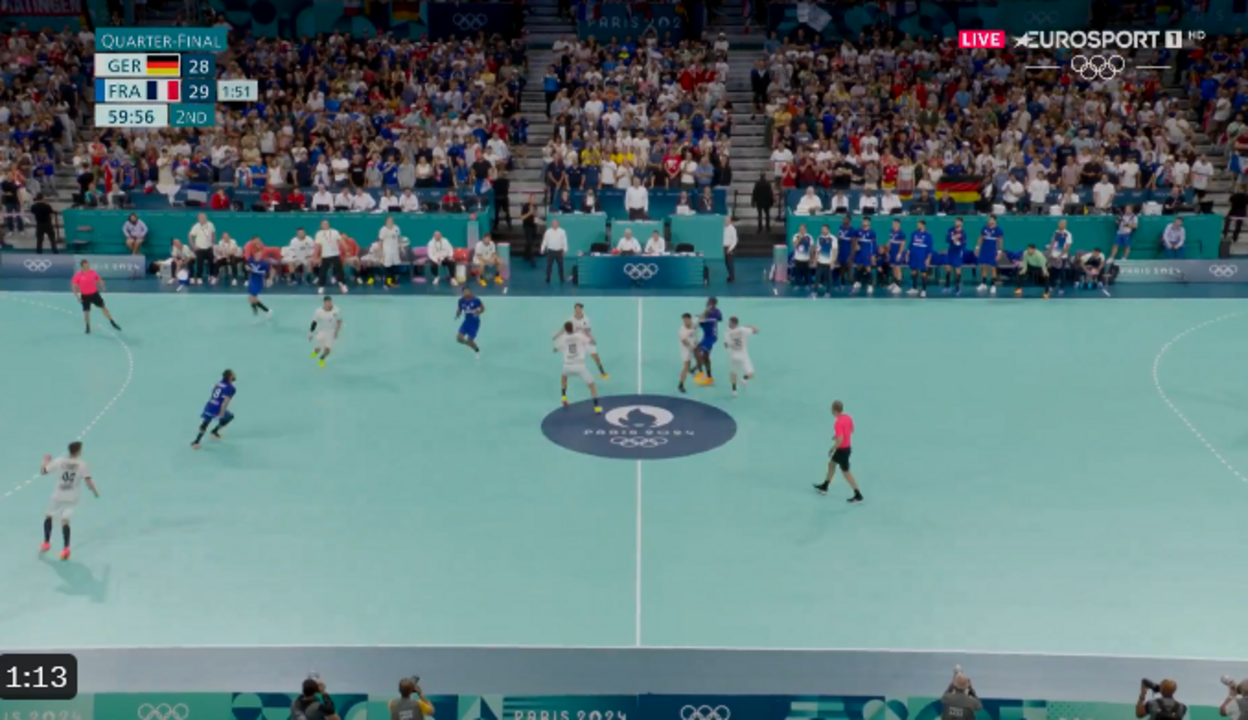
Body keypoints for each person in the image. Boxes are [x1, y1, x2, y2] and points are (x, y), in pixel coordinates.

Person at [39, 441, 99, 560]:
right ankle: (66, 549)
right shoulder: (82, 465)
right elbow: (88, 481)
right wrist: (94, 491)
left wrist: (45, 460)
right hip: (72, 497)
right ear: (78, 452)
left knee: (49, 517)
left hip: (58, 496)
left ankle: (46, 543)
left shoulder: (60, 461)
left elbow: (43, 471)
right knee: (65, 521)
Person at [813, 400, 863, 503]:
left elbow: (840, 439)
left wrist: (833, 448)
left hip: (842, 450)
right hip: (846, 448)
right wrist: (838, 436)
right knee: (831, 464)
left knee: (846, 473)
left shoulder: (838, 423)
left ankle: (858, 494)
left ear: (834, 410)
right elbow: (851, 430)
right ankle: (825, 486)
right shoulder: (848, 417)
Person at [555, 320, 602, 412]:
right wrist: (588, 335)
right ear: (573, 328)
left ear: (565, 330)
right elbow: (593, 342)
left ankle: (564, 397)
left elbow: (556, 349)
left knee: (563, 377)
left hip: (567, 366)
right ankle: (597, 407)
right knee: (592, 386)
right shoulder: (580, 336)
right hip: (580, 366)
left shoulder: (563, 338)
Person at [71, 259, 122, 334]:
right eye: (86, 265)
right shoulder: (78, 276)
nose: (88, 266)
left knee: (103, 308)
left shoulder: (93, 272)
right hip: (85, 296)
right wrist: (77, 297)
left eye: (88, 265)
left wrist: (102, 285)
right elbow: (74, 286)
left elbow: (98, 278)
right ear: (82, 267)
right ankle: (87, 326)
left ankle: (112, 322)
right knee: (86, 312)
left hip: (94, 294)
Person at [193, 369, 237, 449]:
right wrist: (221, 412)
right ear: (230, 376)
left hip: (209, 405)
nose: (235, 375)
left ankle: (196, 442)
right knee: (230, 417)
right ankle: (214, 431)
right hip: (217, 408)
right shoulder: (231, 388)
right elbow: (225, 402)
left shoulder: (219, 383)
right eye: (233, 374)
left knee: (205, 422)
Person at [565, 303, 608, 379]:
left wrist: (591, 338)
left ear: (582, 309)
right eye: (576, 309)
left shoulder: (586, 319)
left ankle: (602, 372)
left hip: (586, 340)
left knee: (595, 356)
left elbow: (587, 332)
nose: (577, 310)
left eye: (579, 309)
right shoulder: (570, 320)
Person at [723, 317, 757, 397]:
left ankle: (734, 390)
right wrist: (748, 327)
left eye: (729, 323)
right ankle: (744, 378)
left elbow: (726, 345)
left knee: (733, 373)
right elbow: (756, 330)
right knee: (751, 373)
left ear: (731, 323)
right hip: (743, 356)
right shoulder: (743, 330)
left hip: (733, 356)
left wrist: (728, 348)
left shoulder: (727, 333)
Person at [314, 220, 350, 295]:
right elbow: (318, 246)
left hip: (335, 254)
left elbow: (340, 240)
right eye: (324, 224)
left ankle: (343, 285)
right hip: (325, 256)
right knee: (322, 272)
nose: (325, 225)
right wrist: (315, 255)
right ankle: (321, 287)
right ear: (321, 225)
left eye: (327, 223)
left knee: (339, 271)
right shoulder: (319, 234)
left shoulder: (335, 231)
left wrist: (345, 247)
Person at [694, 297, 723, 386]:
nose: (707, 304)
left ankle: (706, 375)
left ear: (713, 304)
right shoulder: (706, 312)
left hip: (711, 337)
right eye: (707, 302)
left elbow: (719, 318)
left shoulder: (716, 312)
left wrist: (707, 314)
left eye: (709, 303)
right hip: (706, 336)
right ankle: (699, 369)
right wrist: (701, 316)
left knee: (701, 353)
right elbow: (701, 321)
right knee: (701, 354)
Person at [310, 297, 343, 368]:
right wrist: (311, 333)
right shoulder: (318, 311)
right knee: (317, 349)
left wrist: (336, 332)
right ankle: (314, 353)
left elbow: (339, 321)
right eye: (328, 302)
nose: (330, 304)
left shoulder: (336, 310)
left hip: (331, 332)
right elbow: (314, 322)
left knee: (327, 350)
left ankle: (321, 359)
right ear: (324, 303)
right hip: (321, 331)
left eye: (331, 302)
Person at [245, 242, 275, 319]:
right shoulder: (250, 260)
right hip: (252, 280)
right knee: (251, 298)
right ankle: (255, 309)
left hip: (259, 282)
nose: (259, 254)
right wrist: (247, 268)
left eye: (260, 252)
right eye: (257, 253)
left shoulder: (264, 263)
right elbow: (247, 266)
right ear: (254, 253)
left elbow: (272, 271)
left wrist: (270, 279)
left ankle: (267, 311)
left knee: (252, 298)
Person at [975, 215, 1003, 294]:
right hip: (984, 250)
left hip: (993, 251)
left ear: (995, 220)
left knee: (993, 268)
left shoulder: (998, 230)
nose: (989, 220)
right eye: (989, 219)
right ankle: (983, 284)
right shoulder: (984, 228)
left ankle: (993, 286)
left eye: (991, 219)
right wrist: (977, 248)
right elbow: (980, 238)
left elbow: (1000, 242)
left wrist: (999, 252)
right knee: (983, 266)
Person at [905, 219, 934, 298]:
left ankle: (924, 290)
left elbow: (930, 248)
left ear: (923, 225)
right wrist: (907, 254)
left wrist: (928, 258)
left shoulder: (928, 235)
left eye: (919, 224)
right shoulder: (914, 233)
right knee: (913, 271)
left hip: (922, 256)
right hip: (913, 255)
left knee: (923, 272)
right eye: (917, 224)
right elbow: (910, 244)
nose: (918, 226)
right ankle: (914, 288)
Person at [455, 286, 484, 358]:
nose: (467, 292)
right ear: (463, 292)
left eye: (468, 291)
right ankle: (469, 344)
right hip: (466, 322)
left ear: (470, 291)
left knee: (470, 340)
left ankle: (476, 350)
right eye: (465, 291)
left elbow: (482, 308)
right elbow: (460, 309)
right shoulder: (461, 301)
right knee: (459, 338)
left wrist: (478, 312)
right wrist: (458, 314)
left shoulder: (476, 300)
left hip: (474, 323)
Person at [852, 217, 878, 294]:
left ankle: (870, 285)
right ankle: (858, 282)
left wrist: (873, 255)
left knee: (868, 267)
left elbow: (874, 244)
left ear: (869, 222)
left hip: (867, 252)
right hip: (859, 252)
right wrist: (856, 245)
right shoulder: (858, 230)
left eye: (866, 221)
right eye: (863, 221)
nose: (864, 222)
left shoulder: (872, 232)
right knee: (859, 266)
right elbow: (854, 239)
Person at [944, 217, 967, 296]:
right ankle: (947, 286)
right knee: (947, 268)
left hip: (958, 252)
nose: (956, 222)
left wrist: (958, 243)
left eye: (958, 221)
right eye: (955, 221)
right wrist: (953, 238)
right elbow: (947, 239)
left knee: (957, 270)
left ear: (961, 223)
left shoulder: (963, 233)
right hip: (951, 251)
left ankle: (958, 288)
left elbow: (964, 244)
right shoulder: (951, 229)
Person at [541, 218, 568, 283]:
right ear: (552, 224)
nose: (554, 224)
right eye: (553, 223)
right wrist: (542, 248)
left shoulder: (562, 231)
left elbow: (564, 241)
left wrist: (565, 249)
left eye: (555, 223)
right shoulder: (548, 231)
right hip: (550, 251)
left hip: (559, 251)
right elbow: (545, 241)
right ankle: (548, 278)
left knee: (561, 266)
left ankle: (562, 278)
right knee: (549, 265)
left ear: (558, 224)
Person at [379, 217, 403, 288]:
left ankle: (394, 282)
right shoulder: (383, 230)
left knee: (395, 267)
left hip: (395, 250)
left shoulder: (396, 228)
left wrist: (401, 247)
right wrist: (380, 252)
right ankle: (387, 283)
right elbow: (380, 241)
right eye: (389, 221)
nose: (391, 222)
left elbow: (399, 238)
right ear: (386, 222)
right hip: (387, 251)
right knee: (388, 267)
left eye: (392, 220)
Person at [677, 313, 698, 394]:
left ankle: (693, 369)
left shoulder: (694, 324)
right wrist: (692, 347)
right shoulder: (682, 331)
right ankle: (681, 385)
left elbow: (701, 317)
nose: (685, 322)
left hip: (693, 346)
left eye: (686, 320)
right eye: (684, 320)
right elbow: (685, 342)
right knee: (686, 367)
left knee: (703, 357)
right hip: (685, 350)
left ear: (690, 319)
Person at [722, 216, 738, 283]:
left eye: (727, 221)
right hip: (725, 247)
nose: (725, 222)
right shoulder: (724, 228)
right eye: (725, 220)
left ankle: (732, 277)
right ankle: (730, 275)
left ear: (730, 221)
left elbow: (735, 240)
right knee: (727, 262)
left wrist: (730, 248)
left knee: (730, 262)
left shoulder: (732, 229)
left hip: (730, 247)